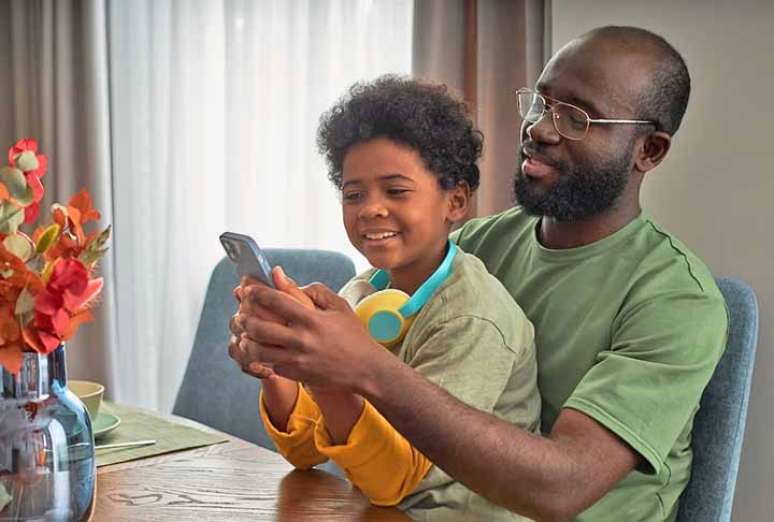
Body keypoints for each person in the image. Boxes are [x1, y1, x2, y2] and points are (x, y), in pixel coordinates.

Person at [230, 26, 728, 521]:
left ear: (650, 151)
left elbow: (561, 489)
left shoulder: (675, 300)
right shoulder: (472, 246)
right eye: (540, 102)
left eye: (576, 118)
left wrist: (359, 364)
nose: (540, 129)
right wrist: (296, 358)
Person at [234, 76, 541, 520]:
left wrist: (325, 371)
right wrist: (276, 368)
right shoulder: (360, 293)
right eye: (353, 194)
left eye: (396, 191)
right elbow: (305, 450)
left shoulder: (473, 318)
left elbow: (394, 480)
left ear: (455, 201)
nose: (370, 208)